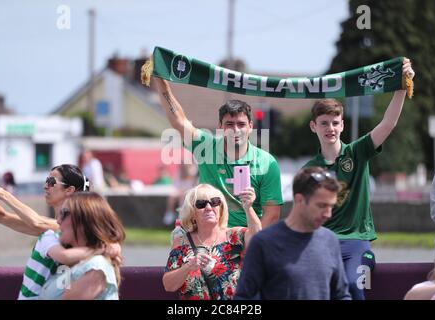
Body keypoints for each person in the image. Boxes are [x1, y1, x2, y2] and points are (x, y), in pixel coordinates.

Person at [303, 59, 415, 300]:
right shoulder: (309, 169)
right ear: (314, 126)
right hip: (321, 241)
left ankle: (368, 258)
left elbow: (388, 123)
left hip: (356, 241)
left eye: (334, 123)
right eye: (324, 123)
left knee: (354, 285)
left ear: (342, 125)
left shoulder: (357, 152)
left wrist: (400, 89)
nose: (329, 128)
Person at [153, 77, 283, 228]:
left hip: (248, 235)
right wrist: (160, 80)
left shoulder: (267, 162)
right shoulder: (207, 146)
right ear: (220, 126)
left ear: (251, 127)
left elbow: (272, 214)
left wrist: (252, 243)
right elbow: (179, 121)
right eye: (229, 124)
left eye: (241, 125)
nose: (235, 130)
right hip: (210, 235)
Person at [0, 164, 121, 299]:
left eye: (51, 182)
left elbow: (37, 222)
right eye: (46, 181)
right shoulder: (56, 228)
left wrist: (3, 194)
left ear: (69, 190)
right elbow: (2, 216)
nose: (45, 186)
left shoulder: (57, 229)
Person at [234, 167, 350, 300]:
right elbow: (243, 298)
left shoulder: (330, 240)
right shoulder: (264, 242)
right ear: (299, 200)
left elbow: (341, 295)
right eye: (322, 206)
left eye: (331, 206)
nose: (328, 214)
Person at [162, 183, 261, 300]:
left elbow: (257, 240)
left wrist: (248, 208)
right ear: (192, 213)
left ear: (221, 208)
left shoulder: (234, 235)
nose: (209, 207)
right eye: (201, 204)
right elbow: (168, 285)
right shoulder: (182, 242)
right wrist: (188, 266)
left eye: (214, 202)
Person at [39, 192, 125, 300]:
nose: (58, 220)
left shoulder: (96, 266)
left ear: (85, 220)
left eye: (64, 213)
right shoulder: (70, 263)